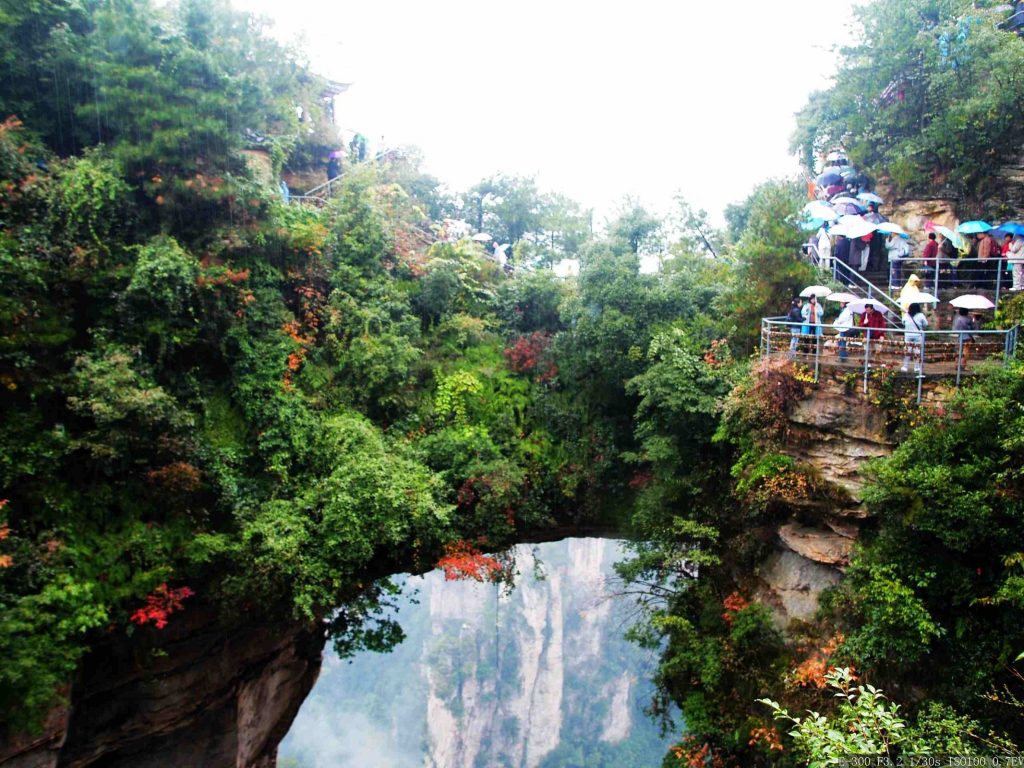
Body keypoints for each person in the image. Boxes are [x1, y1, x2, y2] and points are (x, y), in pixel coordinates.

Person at [901, 302, 928, 373]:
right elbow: (925, 324)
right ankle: (916, 367)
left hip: (908, 335)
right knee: (917, 352)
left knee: (907, 351)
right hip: (918, 335)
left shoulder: (906, 315)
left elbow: (903, 323)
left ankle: (905, 366)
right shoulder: (921, 315)